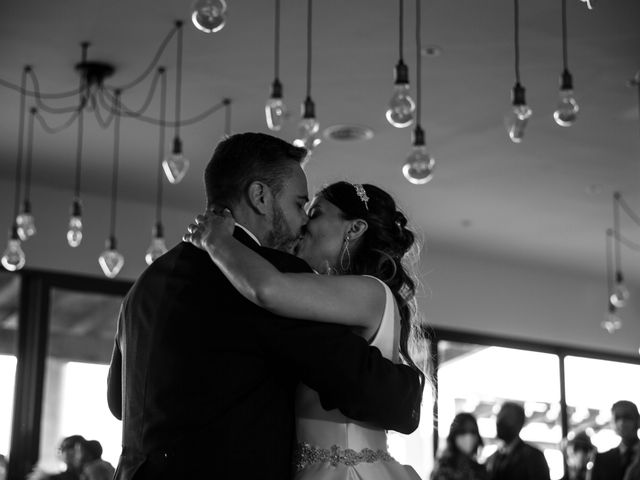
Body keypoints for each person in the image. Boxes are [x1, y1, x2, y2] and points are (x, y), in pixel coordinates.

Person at [107, 132, 424, 480]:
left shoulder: (145, 284)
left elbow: (118, 401)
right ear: (260, 197)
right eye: (299, 204)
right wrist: (408, 384)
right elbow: (362, 383)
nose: (304, 220)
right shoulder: (273, 274)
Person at [185, 179, 425, 479]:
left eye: (315, 214)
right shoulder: (328, 297)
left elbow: (268, 289)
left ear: (354, 228)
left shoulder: (370, 291)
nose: (302, 225)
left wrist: (216, 241)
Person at [485, 402, 550, 480]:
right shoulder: (493, 458)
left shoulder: (533, 458)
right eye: (499, 417)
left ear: (519, 424)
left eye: (506, 419)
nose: (499, 423)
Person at [589, 400, 640, 480]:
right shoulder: (601, 460)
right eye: (617, 418)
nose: (622, 422)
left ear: (638, 420)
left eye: (627, 417)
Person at [430, 413, 487, 480]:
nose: (468, 437)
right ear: (454, 435)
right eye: (463, 431)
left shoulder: (479, 470)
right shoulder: (442, 469)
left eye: (473, 431)